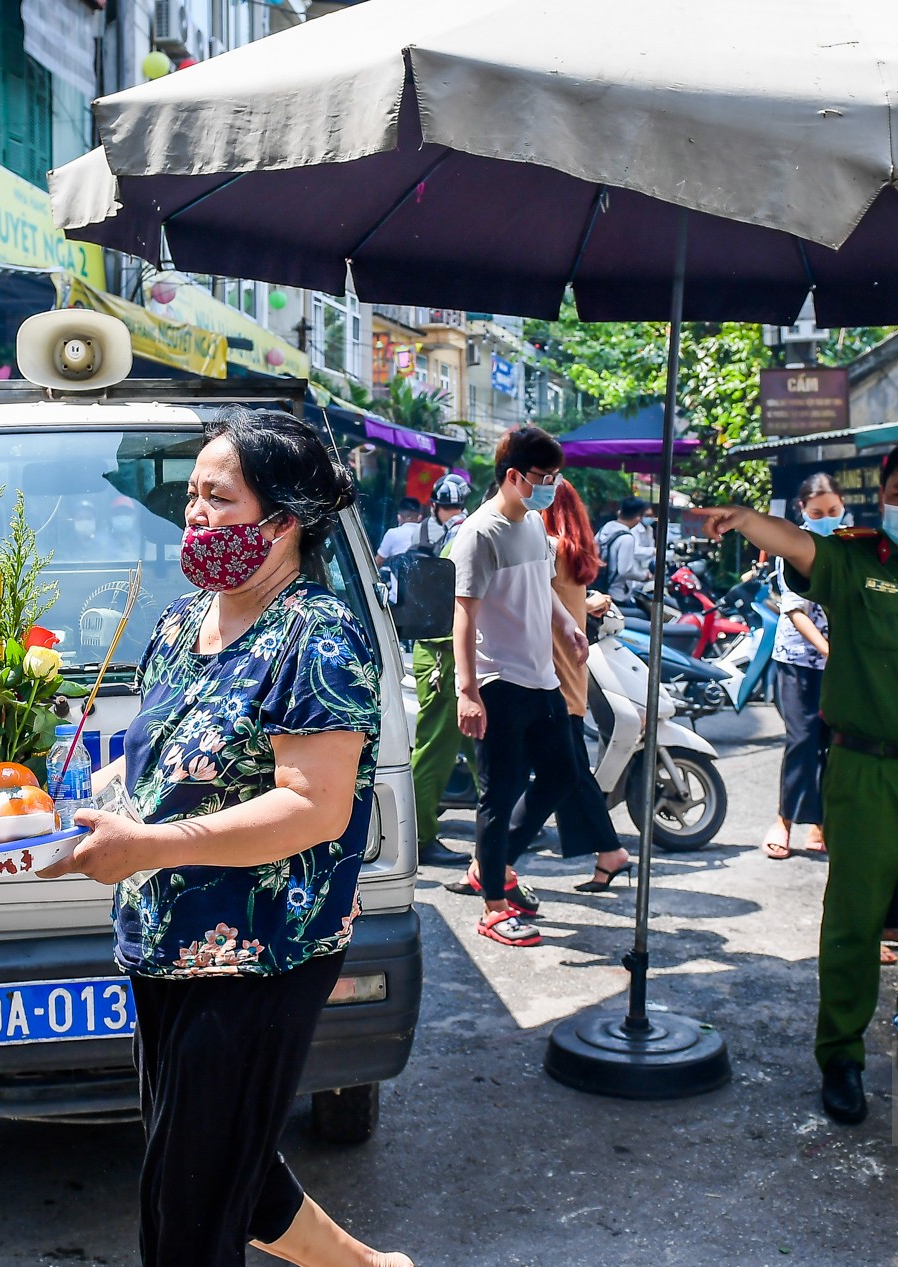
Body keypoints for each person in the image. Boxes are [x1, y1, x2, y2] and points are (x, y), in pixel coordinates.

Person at [40, 408, 411, 1267]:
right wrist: (63, 814)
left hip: (261, 951)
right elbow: (162, 769)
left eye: (220, 497)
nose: (196, 514)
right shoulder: (180, 624)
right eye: (193, 496)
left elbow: (313, 808)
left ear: (285, 523)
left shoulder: (318, 636)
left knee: (188, 1208)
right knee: (215, 1159)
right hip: (162, 939)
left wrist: (152, 847)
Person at [696, 439, 898, 1126]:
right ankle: (840, 1056)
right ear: (883, 494)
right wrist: (746, 517)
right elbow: (797, 544)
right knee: (855, 919)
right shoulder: (850, 560)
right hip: (866, 771)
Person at [449, 426, 589, 946]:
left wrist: (568, 627)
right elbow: (463, 614)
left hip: (542, 678)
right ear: (514, 476)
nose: (552, 486)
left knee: (562, 774)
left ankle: (495, 864)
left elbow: (542, 587)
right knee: (499, 794)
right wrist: (468, 690)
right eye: (544, 477)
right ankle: (492, 907)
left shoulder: (533, 524)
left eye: (556, 477)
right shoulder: (478, 534)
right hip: (499, 682)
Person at [505, 476, 633, 892]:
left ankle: (496, 860)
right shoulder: (574, 551)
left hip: (545, 678)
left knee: (550, 773)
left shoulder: (546, 547)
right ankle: (609, 852)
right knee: (570, 772)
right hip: (568, 674)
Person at [764, 474, 839, 862]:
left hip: (843, 665)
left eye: (833, 510)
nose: (827, 518)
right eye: (817, 512)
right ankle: (784, 821)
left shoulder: (851, 544)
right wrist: (828, 650)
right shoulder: (794, 546)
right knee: (803, 738)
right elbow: (794, 610)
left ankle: (821, 823)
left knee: (835, 742)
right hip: (799, 661)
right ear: (802, 511)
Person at [409, 474, 474, 867]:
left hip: (449, 653)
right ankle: (419, 835)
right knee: (436, 749)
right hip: (442, 655)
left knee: (475, 745)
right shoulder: (462, 539)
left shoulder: (449, 536)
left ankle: (507, 821)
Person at [595, 496, 653, 606]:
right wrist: (644, 576)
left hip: (599, 587)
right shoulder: (627, 538)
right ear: (638, 518)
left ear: (619, 512)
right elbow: (625, 570)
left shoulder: (606, 528)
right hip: (616, 593)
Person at [374, 496, 424, 564]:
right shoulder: (426, 534)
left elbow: (378, 561)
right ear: (419, 518)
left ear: (399, 517)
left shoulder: (392, 533)